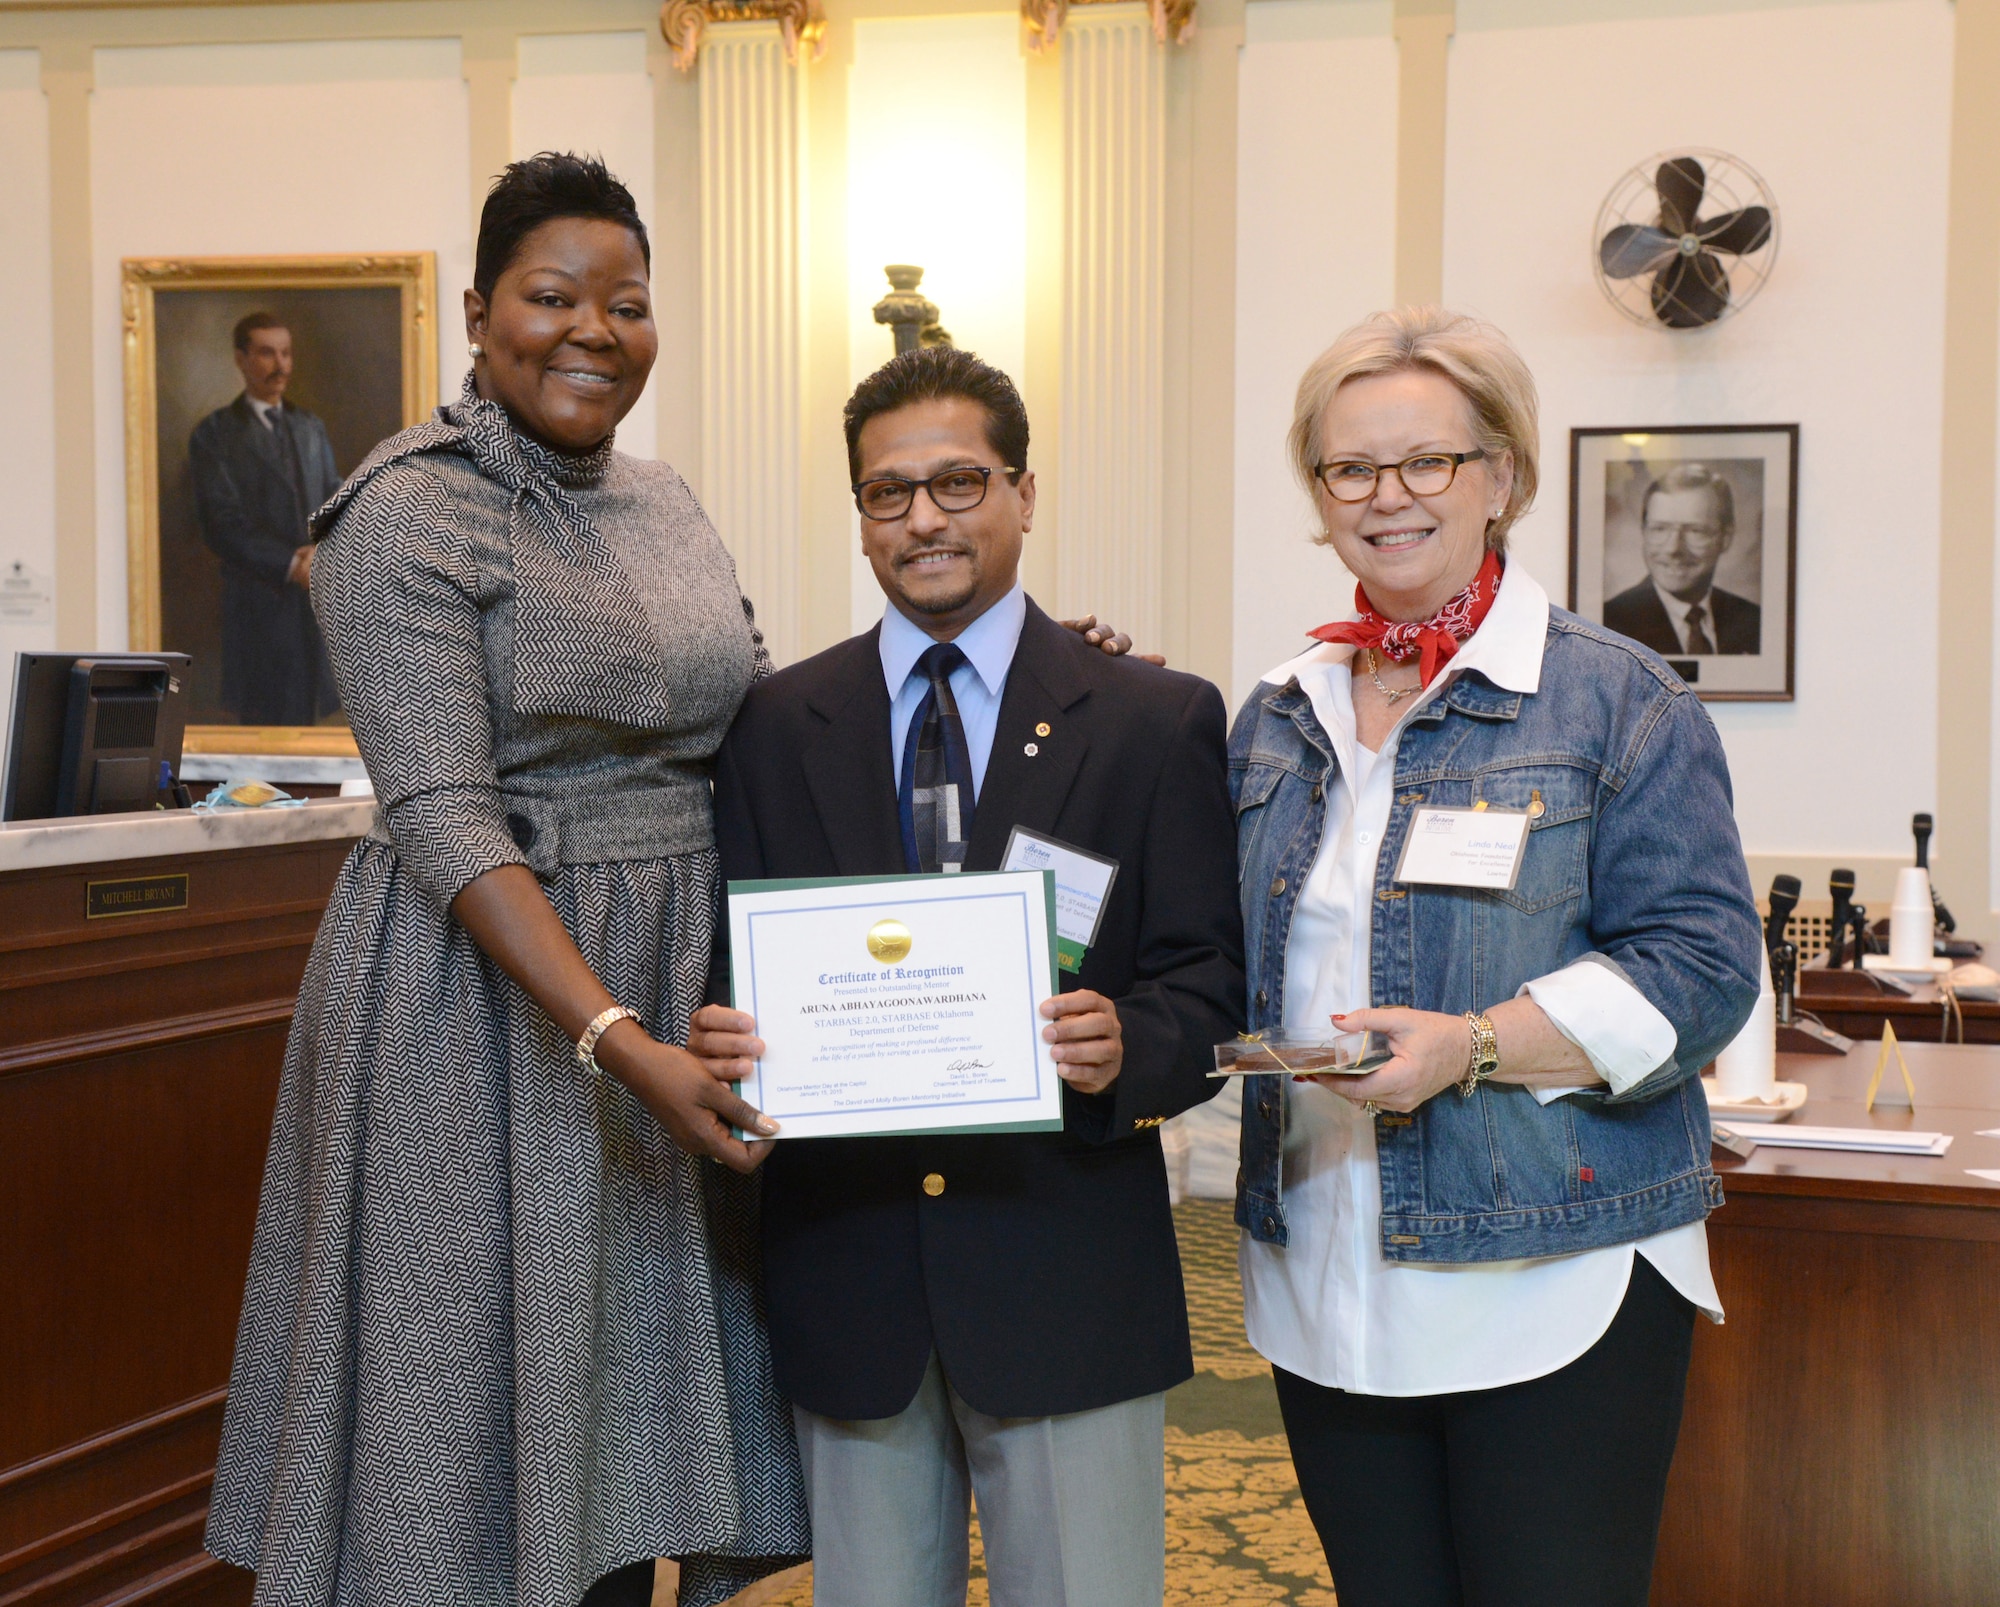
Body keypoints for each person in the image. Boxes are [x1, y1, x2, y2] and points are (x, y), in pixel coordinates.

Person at [204, 154, 812, 1607]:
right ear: (480, 313)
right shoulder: (403, 512)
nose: (594, 328)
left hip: (673, 979)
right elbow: (446, 818)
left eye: (629, 302)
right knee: (479, 1426)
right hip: (483, 1012)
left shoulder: (665, 500)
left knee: (635, 1420)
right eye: (554, 296)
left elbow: (771, 715)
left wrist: (993, 670)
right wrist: (619, 1044)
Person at [687, 346, 1245, 1607]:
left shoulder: (1151, 719)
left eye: (957, 482)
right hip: (852, 1275)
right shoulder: (775, 724)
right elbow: (739, 962)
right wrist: (726, 1037)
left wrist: (1126, 1043)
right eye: (889, 494)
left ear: (1024, 492)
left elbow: (1208, 984)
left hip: (1060, 1268)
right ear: (862, 515)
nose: (924, 517)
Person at [1231, 307, 1762, 1607]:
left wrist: (1474, 1046)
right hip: (1329, 1280)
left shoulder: (1619, 697)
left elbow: (1702, 967)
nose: (1387, 496)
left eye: (1429, 461)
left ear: (1503, 476)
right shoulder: (1276, 711)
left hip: (1550, 1270)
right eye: (1349, 467)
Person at [188, 312, 343, 724]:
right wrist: (292, 565)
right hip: (258, 614)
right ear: (240, 359)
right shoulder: (215, 434)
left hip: (314, 611)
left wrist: (323, 555)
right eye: (267, 353)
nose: (281, 366)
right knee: (267, 731)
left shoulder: (310, 427)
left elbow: (335, 498)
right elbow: (223, 526)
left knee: (317, 724)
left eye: (286, 354)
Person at [1602, 462, 1760, 654]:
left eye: (1695, 531)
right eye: (1660, 529)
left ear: (1725, 538)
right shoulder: (1609, 625)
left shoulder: (1753, 621)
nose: (1674, 548)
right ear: (1644, 532)